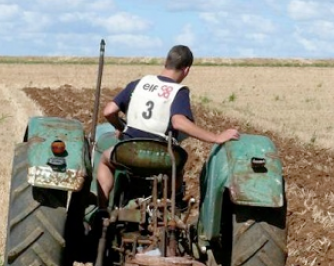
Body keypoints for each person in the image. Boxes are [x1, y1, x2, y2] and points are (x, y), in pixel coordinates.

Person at [97, 45, 239, 207]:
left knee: (105, 160)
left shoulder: (139, 84)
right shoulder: (178, 91)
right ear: (186, 70)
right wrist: (216, 137)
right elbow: (178, 121)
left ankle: (102, 207)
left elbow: (108, 111)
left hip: (128, 152)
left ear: (166, 62)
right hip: (162, 158)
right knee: (177, 168)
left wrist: (121, 128)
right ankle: (168, 203)